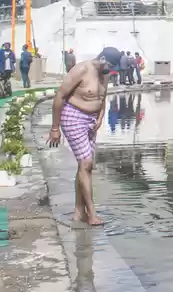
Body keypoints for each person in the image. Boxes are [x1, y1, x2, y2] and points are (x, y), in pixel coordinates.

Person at [47, 47, 120, 227]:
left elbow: (103, 98)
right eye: (109, 65)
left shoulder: (105, 74)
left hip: (91, 121)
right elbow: (59, 97)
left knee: (84, 166)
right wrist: (55, 128)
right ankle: (92, 214)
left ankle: (79, 212)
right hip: (73, 116)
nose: (109, 70)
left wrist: (101, 117)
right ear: (101, 58)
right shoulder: (81, 70)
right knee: (87, 164)